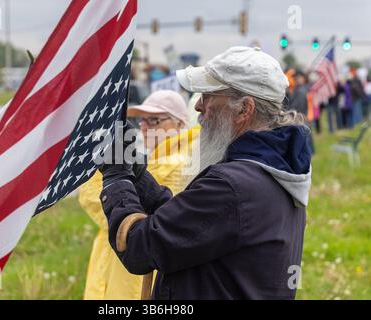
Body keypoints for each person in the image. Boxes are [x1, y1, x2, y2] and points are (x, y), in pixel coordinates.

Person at [98, 47, 312, 299]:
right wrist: (135, 171)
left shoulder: (233, 186)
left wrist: (116, 177)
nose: (198, 106)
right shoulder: (271, 170)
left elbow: (139, 248)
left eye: (208, 95)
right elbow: (196, 227)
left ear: (244, 109)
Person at [79, 90, 198, 299]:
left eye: (154, 120)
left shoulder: (184, 163)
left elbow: (101, 206)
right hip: (116, 268)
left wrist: (110, 168)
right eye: (141, 120)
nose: (144, 127)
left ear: (180, 124)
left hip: (135, 277)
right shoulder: (153, 158)